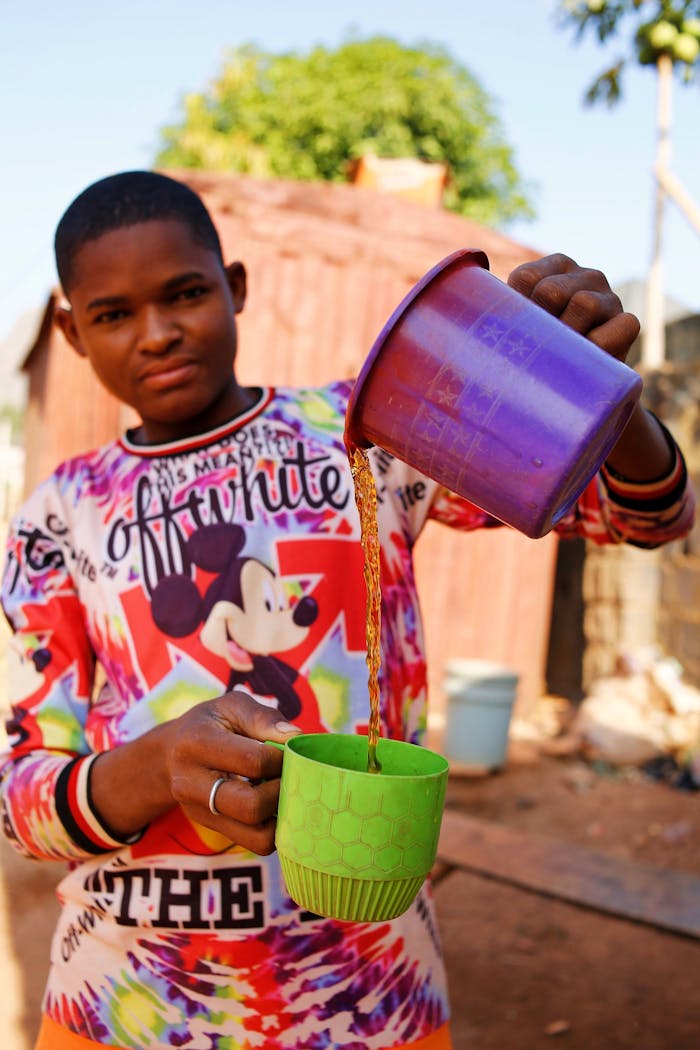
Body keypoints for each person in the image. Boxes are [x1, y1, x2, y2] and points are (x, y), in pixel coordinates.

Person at [0, 170, 694, 1050]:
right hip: (126, 1003)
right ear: (70, 331)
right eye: (112, 314)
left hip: (371, 996)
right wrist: (156, 766)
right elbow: (19, 794)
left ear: (236, 287)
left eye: (186, 294)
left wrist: (604, 393)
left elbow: (648, 515)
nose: (159, 331)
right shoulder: (61, 514)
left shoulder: (367, 430)